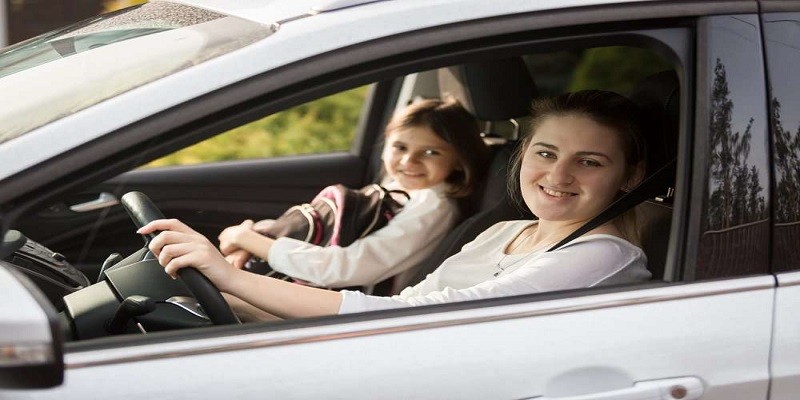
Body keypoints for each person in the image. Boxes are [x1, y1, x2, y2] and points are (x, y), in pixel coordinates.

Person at [138, 90, 652, 320]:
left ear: (628, 177)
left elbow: (420, 317)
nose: (558, 176)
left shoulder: (603, 255)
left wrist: (233, 279)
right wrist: (231, 299)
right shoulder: (503, 232)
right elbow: (406, 309)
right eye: (545, 152)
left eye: (589, 162)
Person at [215, 98, 489, 291]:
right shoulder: (401, 188)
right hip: (316, 285)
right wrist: (254, 240)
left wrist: (247, 238)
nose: (408, 162)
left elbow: (344, 268)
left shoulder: (432, 206)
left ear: (458, 160)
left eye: (431, 152)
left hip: (347, 304)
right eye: (400, 147)